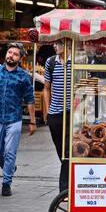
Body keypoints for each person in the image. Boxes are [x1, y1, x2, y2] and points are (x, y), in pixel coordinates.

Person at [0, 43, 36, 197]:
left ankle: (6, 183)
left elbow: (30, 100)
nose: (11, 55)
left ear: (20, 58)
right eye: (9, 52)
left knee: (10, 152)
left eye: (15, 54)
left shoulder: (23, 76)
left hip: (14, 119)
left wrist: (32, 121)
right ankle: (9, 168)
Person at [43, 40, 71, 193]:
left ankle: (64, 189)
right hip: (55, 114)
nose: (54, 45)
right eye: (53, 42)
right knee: (61, 151)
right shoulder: (51, 62)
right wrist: (48, 111)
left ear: (67, 43)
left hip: (72, 113)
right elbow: (46, 88)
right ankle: (69, 179)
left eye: (58, 43)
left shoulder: (75, 61)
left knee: (68, 151)